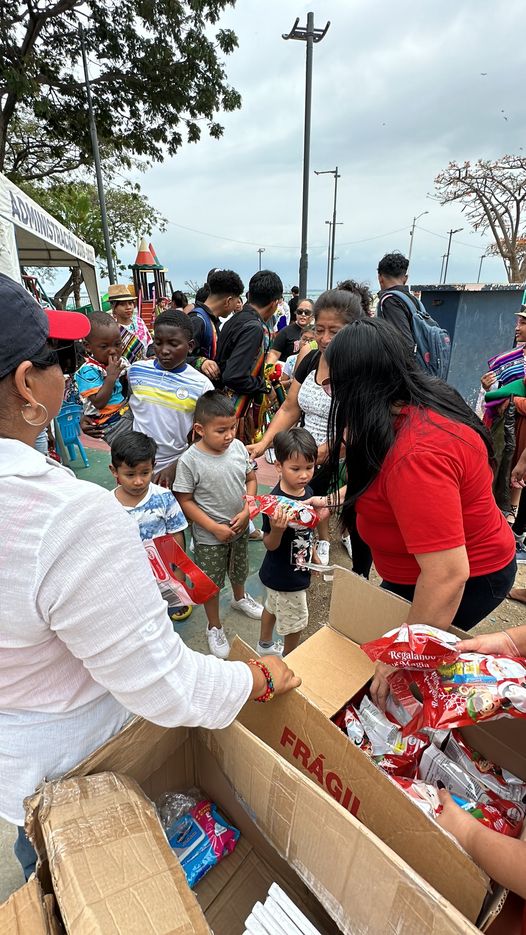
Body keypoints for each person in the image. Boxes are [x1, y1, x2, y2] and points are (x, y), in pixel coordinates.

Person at [0, 273, 300, 881]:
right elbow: (164, 684)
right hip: (78, 777)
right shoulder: (69, 518)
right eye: (60, 359)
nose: (71, 373)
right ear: (28, 384)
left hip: (16, 775)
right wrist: (257, 676)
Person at [323, 318, 516, 647]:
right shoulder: (407, 405)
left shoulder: (417, 456)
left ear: (358, 387)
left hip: (468, 576)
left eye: (332, 385)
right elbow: (384, 485)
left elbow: (446, 576)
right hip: (418, 572)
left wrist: (404, 652)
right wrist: (334, 498)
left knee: (403, 659)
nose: (331, 394)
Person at [248, 288, 366, 569]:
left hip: (339, 458)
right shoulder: (311, 358)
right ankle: (311, 550)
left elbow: (356, 429)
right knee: (303, 511)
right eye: (320, 329)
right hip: (308, 456)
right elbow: (290, 408)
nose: (324, 339)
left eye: (334, 332)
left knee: (353, 513)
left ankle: (351, 548)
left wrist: (319, 454)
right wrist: (264, 443)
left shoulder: (360, 368)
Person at [174, 391, 263, 658]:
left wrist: (247, 510)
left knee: (239, 568)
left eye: (232, 428)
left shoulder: (238, 448)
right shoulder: (190, 460)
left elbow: (251, 480)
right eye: (221, 430)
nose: (229, 436)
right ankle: (214, 626)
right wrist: (213, 527)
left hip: (239, 529)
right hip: (209, 537)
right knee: (211, 583)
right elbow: (184, 499)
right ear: (200, 429)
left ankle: (239, 598)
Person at [109, 431, 192, 622]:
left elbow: (176, 534)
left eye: (145, 473)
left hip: (164, 572)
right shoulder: (107, 503)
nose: (138, 481)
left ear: (153, 466)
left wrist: (179, 570)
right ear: (114, 471)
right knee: (140, 616)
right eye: (130, 474)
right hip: (129, 575)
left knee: (167, 610)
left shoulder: (164, 497)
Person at [128, 310, 213, 488]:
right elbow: (123, 407)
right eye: (158, 343)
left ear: (190, 346)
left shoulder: (201, 385)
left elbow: (206, 435)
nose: (164, 351)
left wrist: (177, 466)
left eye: (173, 344)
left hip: (172, 465)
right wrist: (92, 418)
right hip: (133, 461)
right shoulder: (136, 371)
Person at [257, 428, 321, 657]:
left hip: (293, 568)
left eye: (309, 467)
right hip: (285, 575)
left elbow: (308, 530)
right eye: (295, 469)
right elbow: (269, 544)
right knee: (296, 622)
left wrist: (314, 556)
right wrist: (277, 529)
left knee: (271, 606)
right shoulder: (273, 503)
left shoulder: (308, 492)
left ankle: (264, 645)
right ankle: (289, 657)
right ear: (278, 466)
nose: (304, 475)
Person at [216, 269, 283, 438]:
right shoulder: (254, 328)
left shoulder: (235, 320)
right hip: (234, 412)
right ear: (274, 303)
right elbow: (234, 376)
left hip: (220, 405)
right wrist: (265, 386)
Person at [480, 309, 526, 526]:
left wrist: (512, 402)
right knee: (500, 472)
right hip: (506, 430)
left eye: (523, 323)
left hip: (520, 437)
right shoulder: (511, 359)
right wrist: (489, 388)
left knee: (514, 479)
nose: (517, 328)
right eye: (518, 322)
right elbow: (494, 397)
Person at [75, 312, 132, 445]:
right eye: (104, 347)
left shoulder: (121, 361)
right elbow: (99, 402)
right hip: (111, 422)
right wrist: (111, 377)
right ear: (88, 346)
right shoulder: (89, 370)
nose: (112, 351)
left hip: (125, 413)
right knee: (130, 450)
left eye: (117, 344)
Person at [188, 269, 244, 380]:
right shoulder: (198, 320)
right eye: (236, 301)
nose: (236, 306)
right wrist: (200, 362)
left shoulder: (211, 320)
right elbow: (174, 356)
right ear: (228, 301)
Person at [376, 252, 418, 349]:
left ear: (380, 278)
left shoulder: (390, 301)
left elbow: (404, 343)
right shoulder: (413, 300)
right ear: (405, 278)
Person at [108, 283, 152, 364]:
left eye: (130, 303)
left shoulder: (139, 322)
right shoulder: (112, 328)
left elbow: (149, 342)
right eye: (122, 304)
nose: (128, 307)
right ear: (114, 308)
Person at [266, 299, 314, 365]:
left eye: (307, 312)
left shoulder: (317, 332)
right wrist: (269, 367)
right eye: (300, 312)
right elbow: (274, 353)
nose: (303, 315)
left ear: (313, 315)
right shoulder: (285, 332)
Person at [281, 324, 317, 390]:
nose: (306, 343)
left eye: (311, 341)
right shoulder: (291, 359)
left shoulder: (318, 362)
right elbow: (282, 384)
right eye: (304, 339)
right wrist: (290, 382)